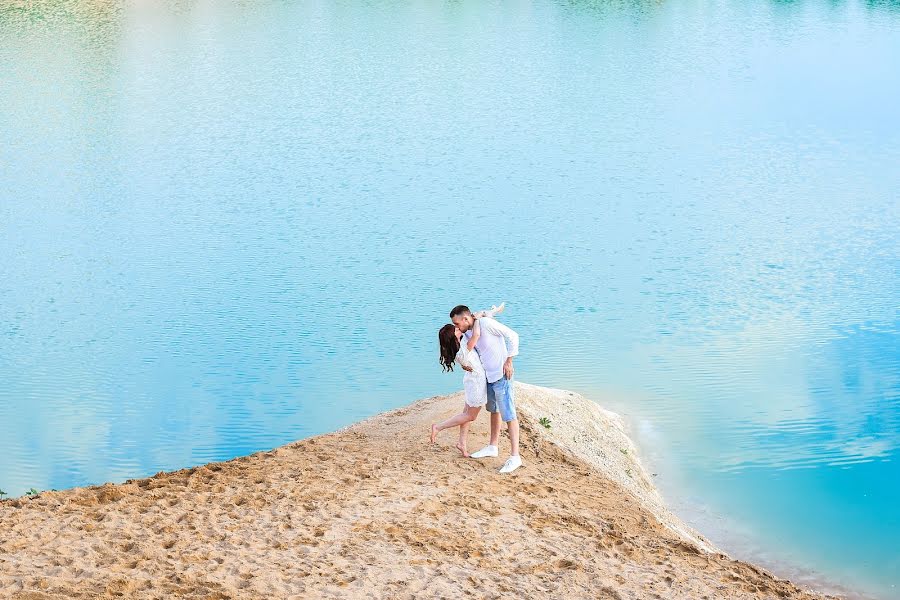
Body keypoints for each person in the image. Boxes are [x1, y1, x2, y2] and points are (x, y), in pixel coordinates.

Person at [450, 304, 521, 474]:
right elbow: (467, 352)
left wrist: (509, 360)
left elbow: (513, 336)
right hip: (488, 377)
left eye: (457, 323)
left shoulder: (486, 324)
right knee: (494, 410)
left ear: (465, 319)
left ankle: (515, 456)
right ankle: (493, 446)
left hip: (502, 374)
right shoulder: (467, 330)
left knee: (509, 415)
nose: (456, 327)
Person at [431, 304, 505, 458]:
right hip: (476, 383)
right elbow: (476, 335)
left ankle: (462, 444)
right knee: (470, 416)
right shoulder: (462, 350)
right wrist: (476, 319)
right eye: (456, 330)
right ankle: (438, 427)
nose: (458, 329)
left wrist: (487, 312)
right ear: (454, 337)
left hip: (471, 380)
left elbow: (468, 328)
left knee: (466, 413)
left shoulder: (460, 344)